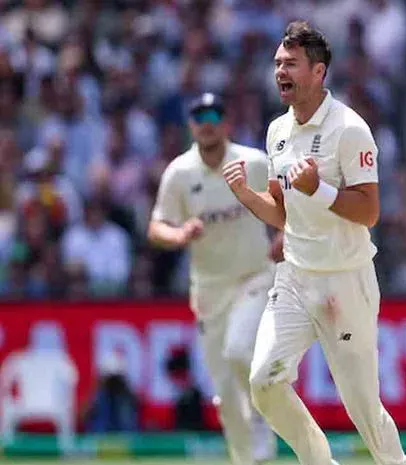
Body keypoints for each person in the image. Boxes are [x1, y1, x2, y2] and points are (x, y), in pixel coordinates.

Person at [222, 21, 406, 465]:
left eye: (291, 64)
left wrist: (319, 190)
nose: (280, 72)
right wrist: (247, 197)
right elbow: (281, 214)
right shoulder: (277, 131)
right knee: (264, 380)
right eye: (277, 64)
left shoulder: (350, 129)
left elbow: (369, 212)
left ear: (318, 71)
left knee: (363, 407)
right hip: (295, 277)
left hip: (345, 280)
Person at [148, 92, 278, 464]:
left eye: (214, 114)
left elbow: (287, 202)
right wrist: (179, 235)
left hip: (254, 277)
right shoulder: (180, 173)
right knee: (223, 393)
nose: (207, 121)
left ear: (226, 122)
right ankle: (245, 458)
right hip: (209, 290)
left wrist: (283, 235)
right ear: (191, 124)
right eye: (199, 115)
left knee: (240, 349)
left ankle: (262, 420)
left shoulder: (253, 162)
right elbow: (157, 226)